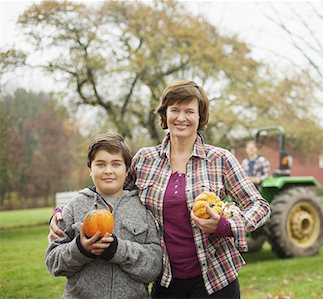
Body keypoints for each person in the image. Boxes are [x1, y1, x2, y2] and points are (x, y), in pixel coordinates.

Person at [49, 80, 271, 298]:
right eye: (175, 110)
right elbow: (110, 192)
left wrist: (226, 225)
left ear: (200, 116)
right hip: (166, 280)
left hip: (216, 277)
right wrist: (61, 214)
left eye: (189, 111)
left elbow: (259, 206)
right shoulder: (145, 160)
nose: (181, 118)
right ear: (164, 115)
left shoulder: (220, 159)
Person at [45, 132, 162, 298]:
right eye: (100, 164)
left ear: (127, 170)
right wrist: (80, 249)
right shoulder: (74, 206)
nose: (108, 171)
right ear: (90, 170)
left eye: (116, 164)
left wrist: (118, 250)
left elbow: (154, 267)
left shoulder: (143, 207)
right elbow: (53, 262)